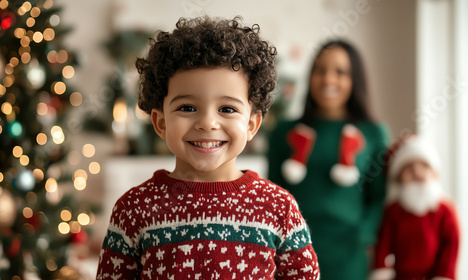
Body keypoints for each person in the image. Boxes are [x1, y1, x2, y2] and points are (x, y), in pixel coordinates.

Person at [96, 16, 320, 280]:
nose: (207, 123)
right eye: (187, 108)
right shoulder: (133, 210)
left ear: (251, 124)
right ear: (160, 122)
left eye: (227, 109)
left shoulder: (279, 209)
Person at [267, 40, 389, 280]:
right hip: (292, 251)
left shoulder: (374, 133)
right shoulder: (284, 132)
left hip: (349, 254)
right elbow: (273, 195)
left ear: (355, 80)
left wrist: (363, 236)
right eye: (320, 71)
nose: (328, 79)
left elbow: (380, 197)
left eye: (340, 72)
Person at [370, 134, 460, 280]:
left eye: (424, 166)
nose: (417, 172)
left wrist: (444, 275)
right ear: (398, 176)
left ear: (434, 172)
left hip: (435, 275)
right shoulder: (394, 210)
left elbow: (451, 246)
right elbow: (383, 244)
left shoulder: (445, 210)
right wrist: (382, 270)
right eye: (409, 168)